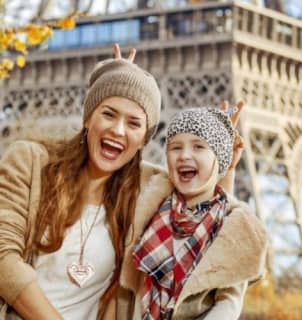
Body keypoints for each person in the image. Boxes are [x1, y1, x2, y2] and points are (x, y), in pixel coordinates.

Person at [0, 45, 244, 320]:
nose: (117, 130)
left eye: (133, 123)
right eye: (108, 113)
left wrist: (221, 168)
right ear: (88, 117)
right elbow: (3, 256)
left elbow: (207, 237)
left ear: (144, 138)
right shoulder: (30, 162)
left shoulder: (151, 192)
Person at [126, 107, 268, 320]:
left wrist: (227, 170)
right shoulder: (151, 204)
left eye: (199, 147)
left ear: (220, 159)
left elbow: (229, 304)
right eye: (175, 148)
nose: (184, 155)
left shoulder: (236, 231)